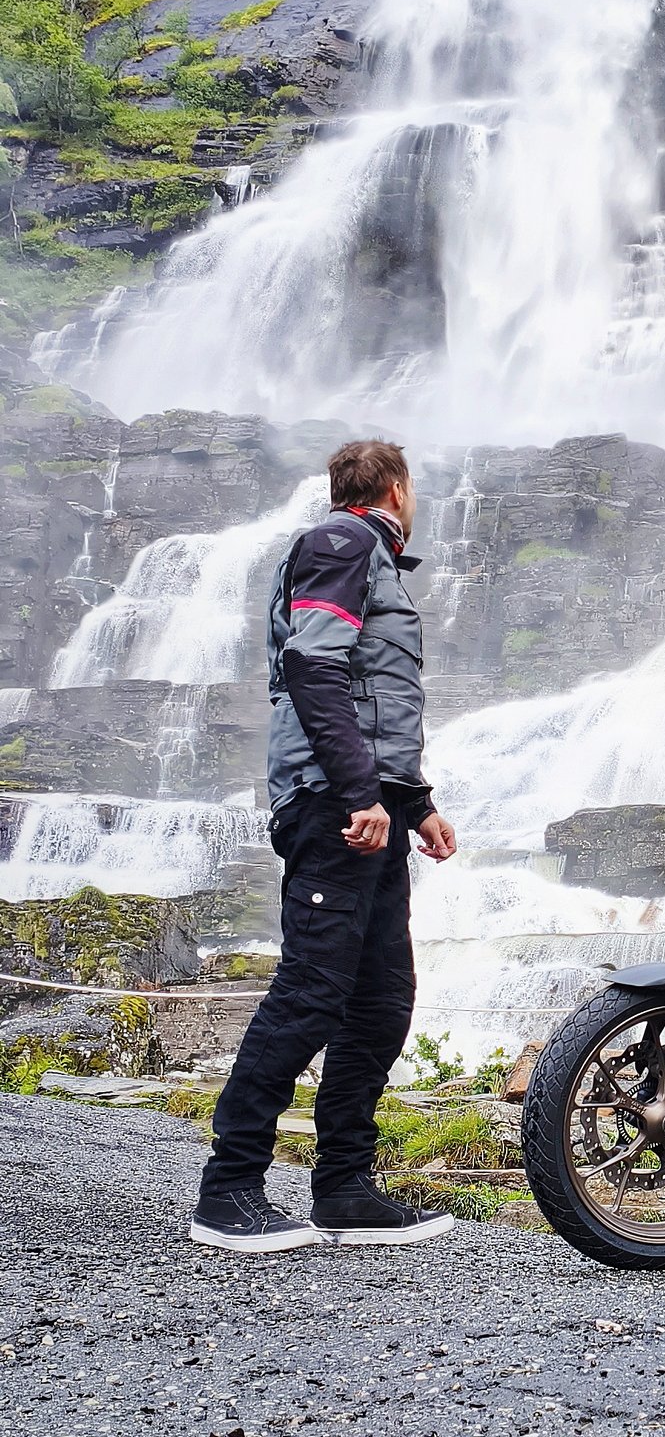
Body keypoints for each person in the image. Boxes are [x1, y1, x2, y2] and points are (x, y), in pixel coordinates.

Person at [190, 439, 459, 1252]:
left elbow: (375, 700)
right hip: (333, 806)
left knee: (380, 1001)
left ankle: (343, 1190)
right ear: (397, 490)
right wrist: (359, 793)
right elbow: (313, 664)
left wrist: (416, 804)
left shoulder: (363, 556)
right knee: (312, 992)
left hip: (369, 808)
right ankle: (228, 1191)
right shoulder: (340, 542)